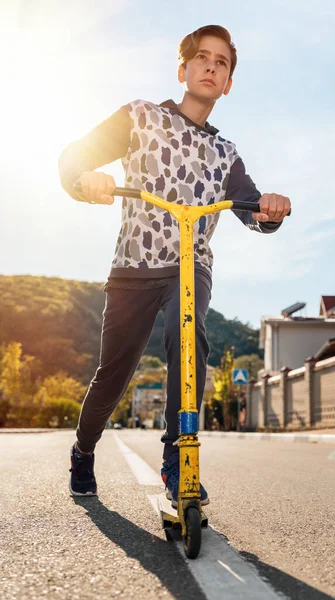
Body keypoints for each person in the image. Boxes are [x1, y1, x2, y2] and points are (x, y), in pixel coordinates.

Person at [59, 25, 291, 505]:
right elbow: (73, 159)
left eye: (221, 62)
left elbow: (251, 211)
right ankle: (83, 449)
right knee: (112, 376)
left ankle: (177, 458)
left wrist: (269, 209)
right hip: (132, 268)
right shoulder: (140, 117)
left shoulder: (227, 155)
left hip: (190, 264)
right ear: (182, 69)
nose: (211, 66)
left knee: (188, 335)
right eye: (202, 58)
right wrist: (87, 180)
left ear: (227, 83)